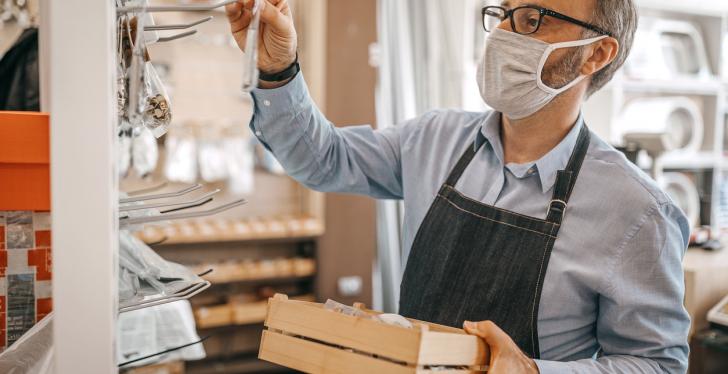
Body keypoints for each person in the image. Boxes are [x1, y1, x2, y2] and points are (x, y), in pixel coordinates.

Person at [225, 0, 690, 372]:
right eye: (503, 14)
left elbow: (658, 363)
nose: (505, 34)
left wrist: (534, 372)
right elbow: (322, 160)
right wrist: (279, 70)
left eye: (532, 19)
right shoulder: (435, 139)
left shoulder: (638, 211)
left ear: (596, 53)